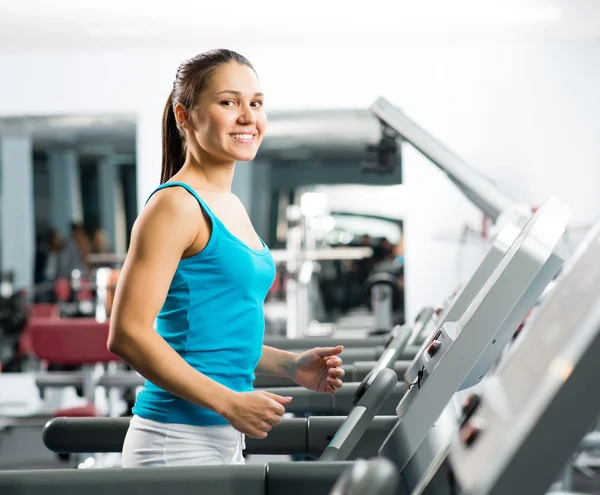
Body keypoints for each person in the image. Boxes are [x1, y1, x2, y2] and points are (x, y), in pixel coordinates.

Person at [107, 49, 345, 468]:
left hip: (221, 436)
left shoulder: (230, 205)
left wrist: (291, 365)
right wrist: (229, 402)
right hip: (174, 439)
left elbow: (211, 335)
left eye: (255, 103)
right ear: (185, 116)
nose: (248, 116)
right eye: (228, 102)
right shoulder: (175, 206)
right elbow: (127, 334)